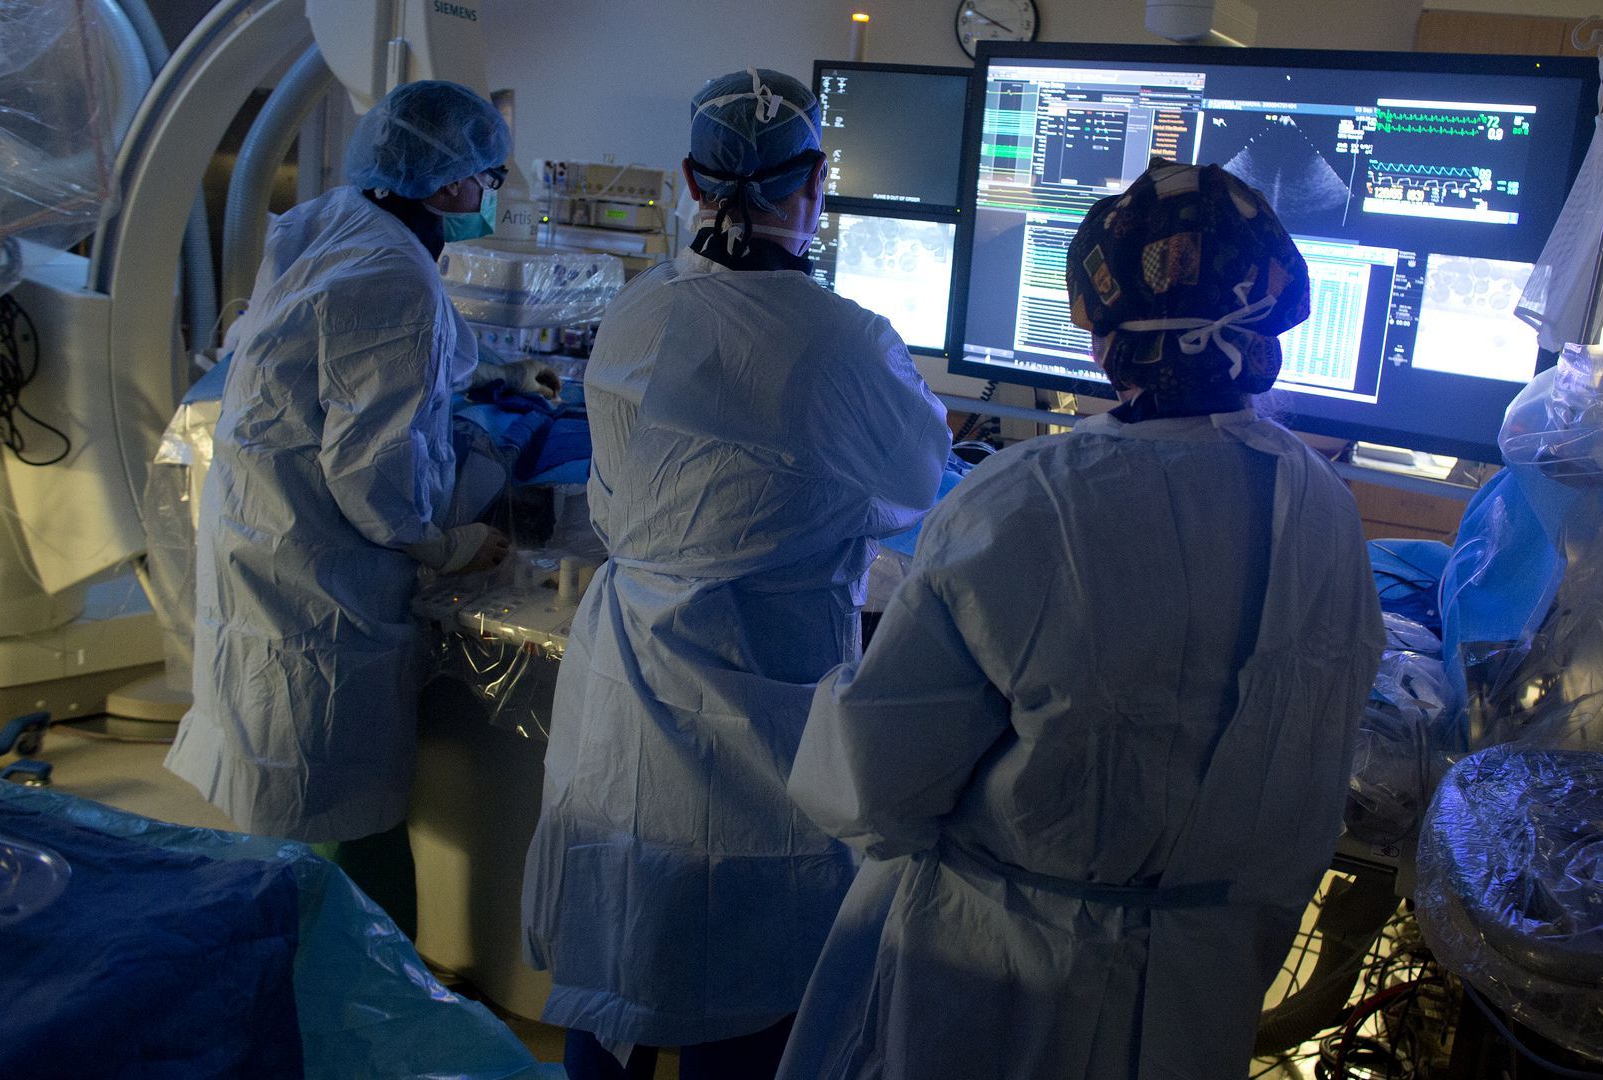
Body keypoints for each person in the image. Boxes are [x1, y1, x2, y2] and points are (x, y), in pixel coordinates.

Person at [777, 160, 1386, 1080]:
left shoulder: (1026, 503)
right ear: (1271, 318)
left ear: (1102, 329)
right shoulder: (1323, 504)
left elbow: (871, 785)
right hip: (1203, 992)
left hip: (1000, 980)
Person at [520, 69, 949, 1080]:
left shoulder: (637, 315)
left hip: (628, 681)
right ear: (816, 186)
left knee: (619, 959)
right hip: (761, 712)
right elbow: (918, 486)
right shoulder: (844, 343)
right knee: (753, 989)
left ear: (687, 180)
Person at [165, 80, 514, 938]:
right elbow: (373, 472)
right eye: (486, 176)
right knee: (341, 802)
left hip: (264, 535)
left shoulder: (329, 219)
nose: (489, 195)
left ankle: (305, 971)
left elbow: (354, 354)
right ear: (445, 187)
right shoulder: (397, 274)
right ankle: (373, 1001)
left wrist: (480, 373)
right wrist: (449, 543)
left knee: (287, 790)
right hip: (319, 572)